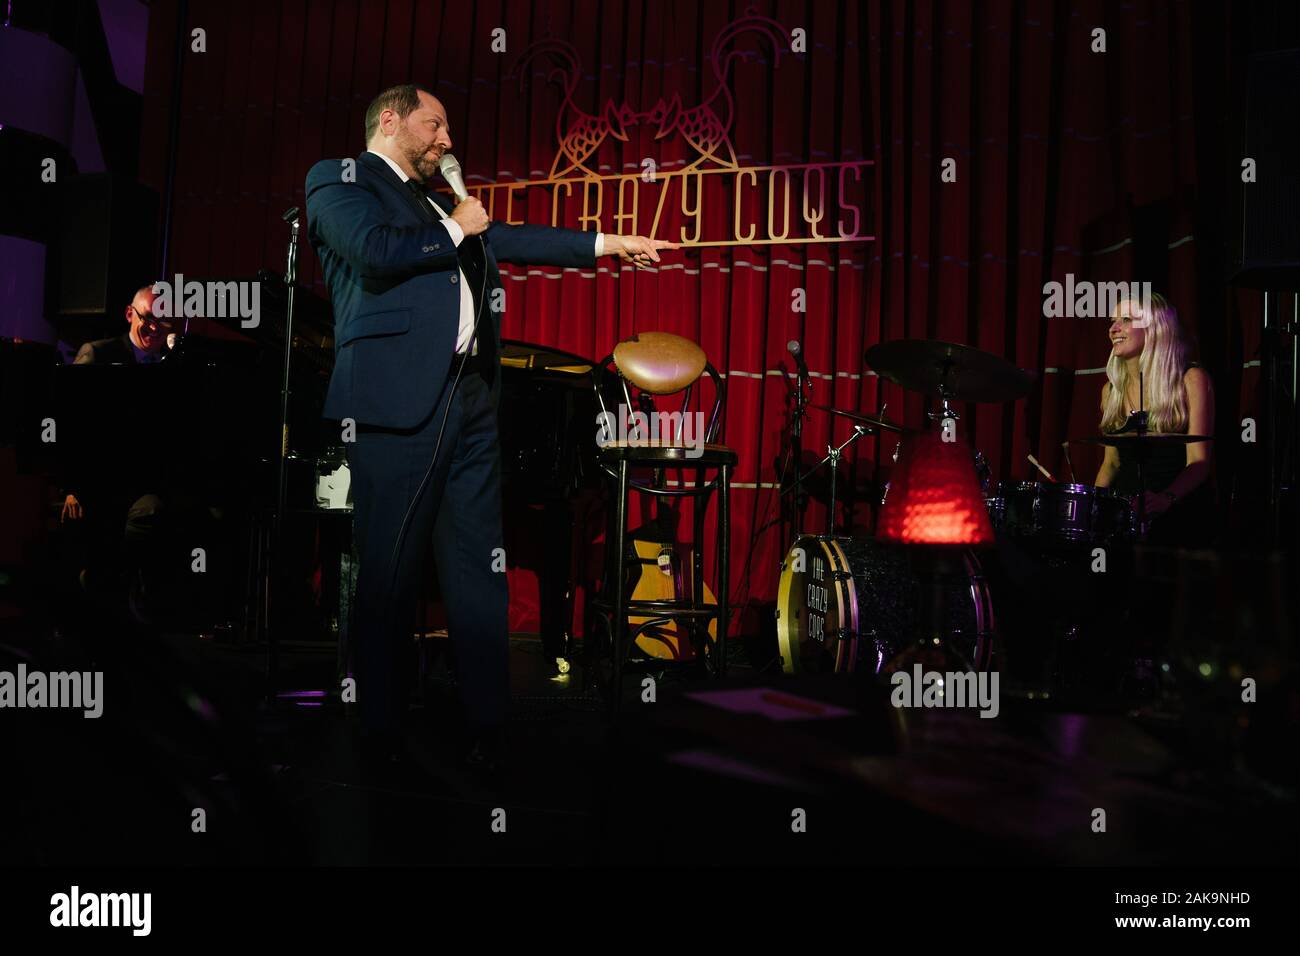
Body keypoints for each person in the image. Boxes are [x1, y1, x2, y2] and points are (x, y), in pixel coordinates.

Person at [305, 84, 678, 771]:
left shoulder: (436, 204)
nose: (447, 139)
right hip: (393, 404)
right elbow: (372, 250)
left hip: (471, 398)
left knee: (479, 566)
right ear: (390, 120)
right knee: (387, 572)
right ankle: (377, 730)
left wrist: (607, 243)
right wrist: (456, 227)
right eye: (435, 124)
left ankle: (489, 723)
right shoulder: (339, 179)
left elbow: (505, 237)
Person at [1094, 293, 1215, 546]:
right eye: (1112, 320)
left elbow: (1199, 462)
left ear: (1155, 327)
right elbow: (1111, 465)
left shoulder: (1191, 380)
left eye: (1125, 319)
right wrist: (1093, 506)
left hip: (1178, 514)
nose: (1113, 329)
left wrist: (1165, 499)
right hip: (1124, 519)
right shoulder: (1111, 391)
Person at [73, 285, 173, 366]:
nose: (154, 327)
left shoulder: (175, 357)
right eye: (148, 317)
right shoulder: (98, 354)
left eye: (163, 319)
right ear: (129, 314)